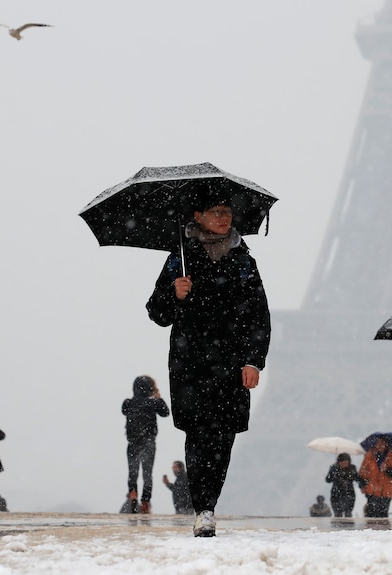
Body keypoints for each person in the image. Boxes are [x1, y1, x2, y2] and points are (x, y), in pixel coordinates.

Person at [146, 191, 271, 537]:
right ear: (198, 215)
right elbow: (157, 313)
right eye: (217, 212)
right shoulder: (179, 259)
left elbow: (258, 315)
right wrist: (174, 293)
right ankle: (204, 508)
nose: (224, 218)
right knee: (199, 436)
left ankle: (208, 503)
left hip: (231, 364)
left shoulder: (244, 260)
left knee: (223, 438)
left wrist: (253, 361)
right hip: (191, 364)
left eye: (228, 212)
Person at [122, 375, 170, 514]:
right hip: (148, 441)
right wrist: (158, 398)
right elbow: (165, 413)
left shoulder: (128, 403)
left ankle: (132, 494)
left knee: (133, 471)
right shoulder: (153, 403)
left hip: (132, 442)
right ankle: (145, 502)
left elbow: (124, 410)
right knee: (147, 474)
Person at [358, 436, 392, 517]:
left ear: (386, 444)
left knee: (383, 517)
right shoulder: (369, 456)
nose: (380, 445)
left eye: (382, 443)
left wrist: (387, 469)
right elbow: (362, 472)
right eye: (378, 443)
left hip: (385, 492)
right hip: (372, 491)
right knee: (371, 516)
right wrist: (362, 485)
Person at [325, 452, 365, 517]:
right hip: (336, 494)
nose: (345, 465)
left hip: (349, 493)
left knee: (348, 514)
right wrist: (333, 475)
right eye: (343, 463)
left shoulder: (352, 468)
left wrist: (362, 485)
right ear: (339, 462)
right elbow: (328, 480)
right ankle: (338, 526)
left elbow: (358, 478)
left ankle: (348, 527)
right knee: (338, 514)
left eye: (346, 463)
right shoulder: (334, 468)